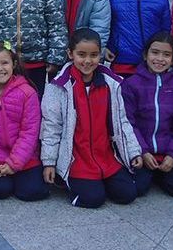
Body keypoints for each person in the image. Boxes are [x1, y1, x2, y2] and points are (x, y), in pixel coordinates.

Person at [40, 28, 142, 208]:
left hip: (106, 156)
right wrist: (49, 162)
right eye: (81, 54)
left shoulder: (111, 83)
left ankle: (102, 182)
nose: (87, 61)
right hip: (77, 159)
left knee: (127, 195)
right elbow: (51, 127)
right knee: (94, 199)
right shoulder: (58, 87)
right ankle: (74, 186)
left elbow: (122, 121)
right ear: (70, 54)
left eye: (94, 55)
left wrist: (134, 151)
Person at [121, 33, 173, 199]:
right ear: (145, 55)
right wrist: (143, 151)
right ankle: (149, 175)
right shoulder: (131, 84)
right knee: (136, 190)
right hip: (142, 153)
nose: (160, 59)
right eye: (155, 53)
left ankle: (165, 173)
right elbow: (129, 122)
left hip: (168, 153)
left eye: (166, 55)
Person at [0, 41, 49, 202]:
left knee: (32, 192)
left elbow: (29, 132)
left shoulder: (27, 92)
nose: (0, 68)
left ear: (14, 64)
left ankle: (17, 179)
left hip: (25, 156)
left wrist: (14, 163)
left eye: (5, 63)